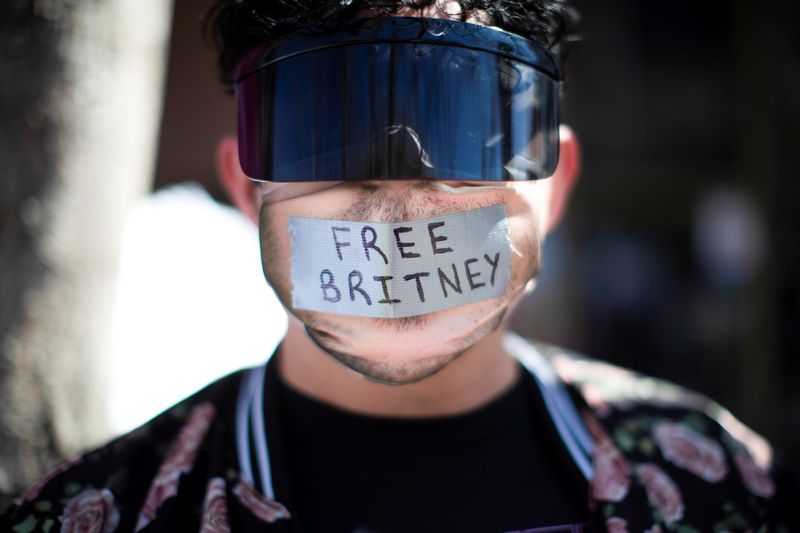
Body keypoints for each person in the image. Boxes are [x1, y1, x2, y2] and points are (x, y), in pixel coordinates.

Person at [1, 1, 796, 532]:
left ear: (556, 189)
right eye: (323, 124)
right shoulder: (100, 514)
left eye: (463, 115)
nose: (398, 186)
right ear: (247, 187)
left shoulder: (725, 485)